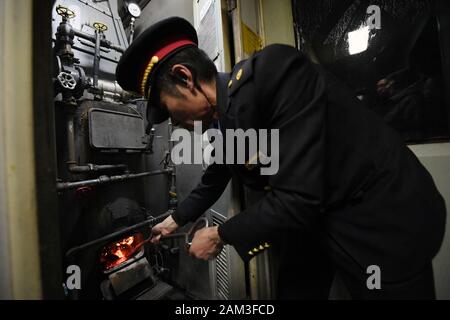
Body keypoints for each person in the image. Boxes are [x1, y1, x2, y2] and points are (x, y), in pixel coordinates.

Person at [116, 17, 446, 299]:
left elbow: (299, 197)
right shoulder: (223, 120)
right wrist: (175, 219)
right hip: (318, 223)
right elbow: (217, 175)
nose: (174, 122)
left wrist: (219, 236)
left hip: (384, 224)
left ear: (185, 79)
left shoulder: (277, 74)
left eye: (169, 111)